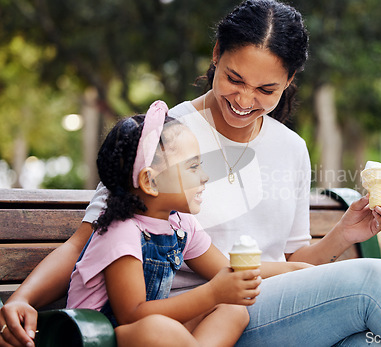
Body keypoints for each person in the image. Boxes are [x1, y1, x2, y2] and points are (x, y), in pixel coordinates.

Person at [0, 1, 381, 346]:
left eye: (266, 89)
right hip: (192, 320)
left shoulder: (291, 149)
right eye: (235, 79)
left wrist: (342, 235)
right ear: (216, 54)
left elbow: (292, 262)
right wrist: (22, 298)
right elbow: (84, 242)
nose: (244, 100)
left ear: (290, 82)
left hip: (256, 308)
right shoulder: (166, 139)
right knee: (372, 279)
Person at [66, 100, 308, 347]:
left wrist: (297, 269)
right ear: (151, 181)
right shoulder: (122, 233)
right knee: (158, 328)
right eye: (193, 167)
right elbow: (131, 315)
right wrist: (212, 292)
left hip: (152, 331)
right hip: (97, 339)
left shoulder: (181, 224)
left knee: (231, 309)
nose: (204, 176)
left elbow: (226, 268)